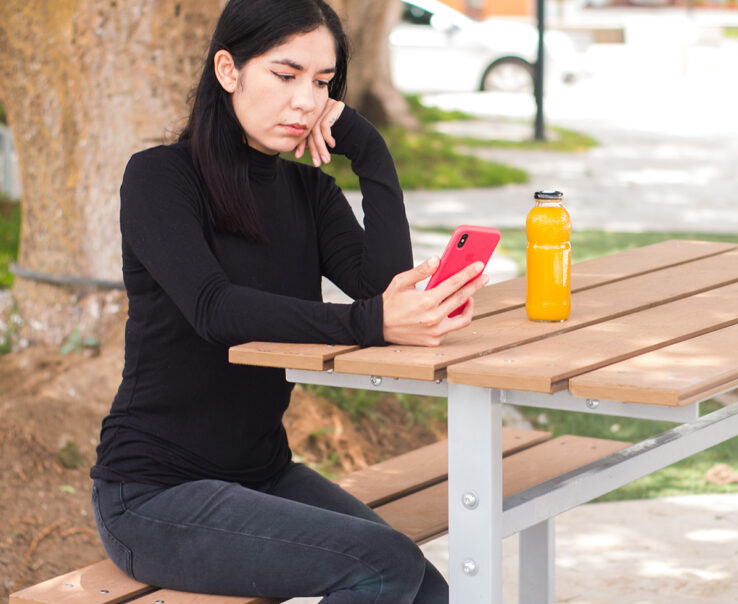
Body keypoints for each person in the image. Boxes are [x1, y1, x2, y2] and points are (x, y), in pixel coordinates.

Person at [89, 1, 486, 602]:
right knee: (385, 567)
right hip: (153, 494)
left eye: (323, 83)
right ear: (228, 70)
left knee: (425, 588)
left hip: (264, 474)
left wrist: (370, 150)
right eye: (285, 74)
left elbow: (382, 287)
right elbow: (215, 309)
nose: (306, 101)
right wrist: (375, 322)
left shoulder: (310, 193)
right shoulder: (159, 178)